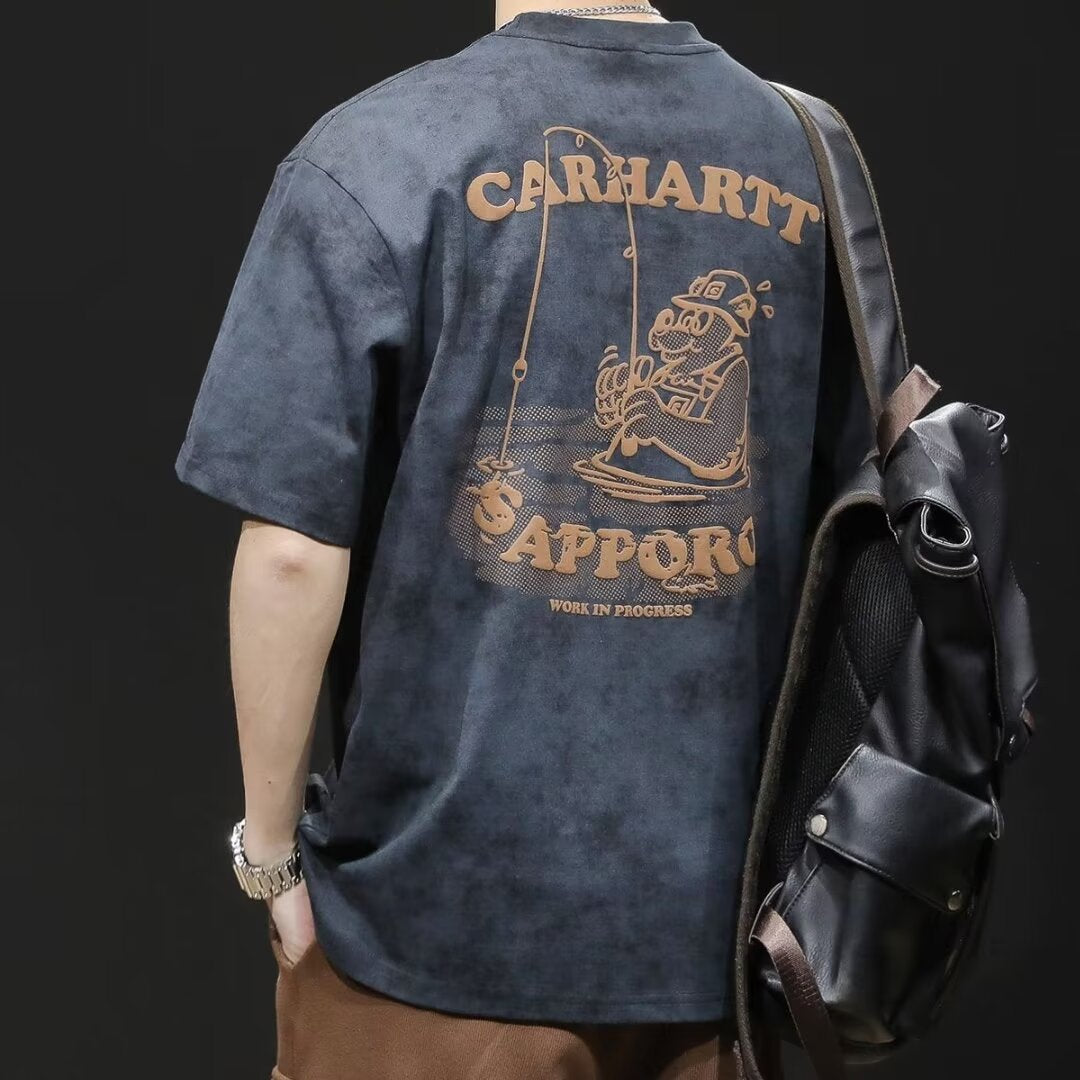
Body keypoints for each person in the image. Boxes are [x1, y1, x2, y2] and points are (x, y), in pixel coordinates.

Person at [174, 2, 828, 1076]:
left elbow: (291, 551)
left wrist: (272, 857)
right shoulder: (809, 160)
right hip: (720, 952)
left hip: (430, 951)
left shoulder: (380, 150)